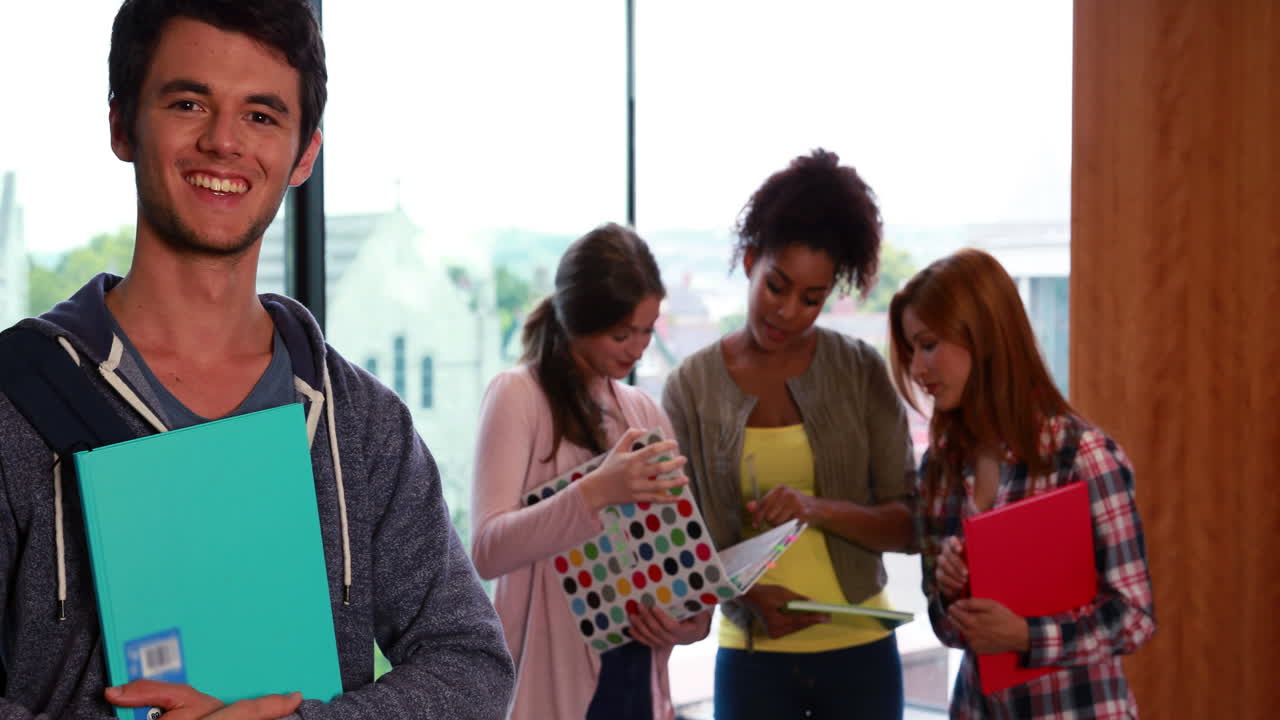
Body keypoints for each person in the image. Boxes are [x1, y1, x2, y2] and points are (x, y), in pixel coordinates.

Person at [0, 1, 515, 717]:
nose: (224, 142)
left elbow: (472, 665)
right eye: (188, 102)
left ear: (305, 153)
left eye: (262, 116)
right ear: (122, 124)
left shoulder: (361, 424)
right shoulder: (13, 401)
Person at [661, 149, 915, 720]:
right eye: (777, 286)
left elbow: (909, 524)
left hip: (861, 650)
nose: (788, 312)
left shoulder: (861, 372)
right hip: (751, 655)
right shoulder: (690, 387)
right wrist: (743, 596)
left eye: (812, 298)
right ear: (750, 260)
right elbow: (677, 536)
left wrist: (815, 509)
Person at [888, 248, 1157, 718]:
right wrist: (953, 595)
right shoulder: (939, 467)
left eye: (928, 345)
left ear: (986, 336)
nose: (916, 369)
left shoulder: (1082, 456)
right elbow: (946, 627)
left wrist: (1026, 637)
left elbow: (1134, 618)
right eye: (911, 350)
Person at [470, 223, 713, 720]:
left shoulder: (644, 411)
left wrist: (689, 622)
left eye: (648, 331)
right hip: (549, 679)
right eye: (622, 333)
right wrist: (595, 491)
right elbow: (487, 551)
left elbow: (681, 564)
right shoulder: (518, 396)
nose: (638, 348)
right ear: (577, 319)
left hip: (638, 679)